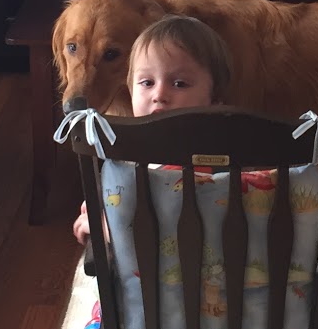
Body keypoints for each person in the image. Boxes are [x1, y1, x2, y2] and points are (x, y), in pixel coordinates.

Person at [72, 15, 231, 245]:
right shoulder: (128, 149)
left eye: (179, 84)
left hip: (182, 262)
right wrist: (105, 206)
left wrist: (108, 227)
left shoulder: (208, 159)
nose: (159, 95)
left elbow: (176, 230)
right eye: (147, 83)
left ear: (214, 101)